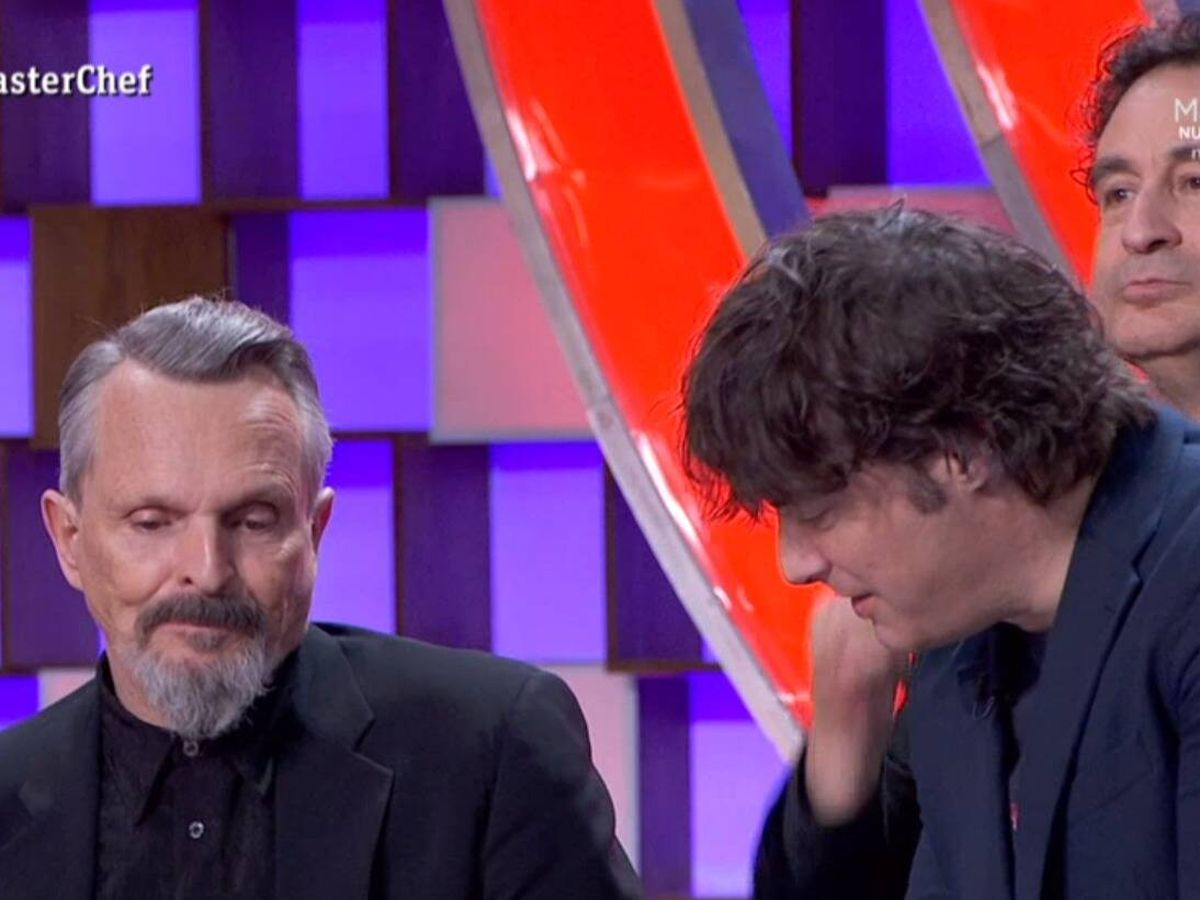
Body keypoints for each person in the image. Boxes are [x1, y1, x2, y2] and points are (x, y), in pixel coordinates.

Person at [732, 15, 1200, 899]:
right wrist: (848, 738)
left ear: (964, 448)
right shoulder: (970, 602)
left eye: (1195, 180)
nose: (1141, 230)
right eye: (1115, 191)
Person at [0, 297, 642, 899]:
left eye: (253, 521)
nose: (207, 571)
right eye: (152, 523)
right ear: (69, 539)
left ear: (315, 531)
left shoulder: (492, 751)